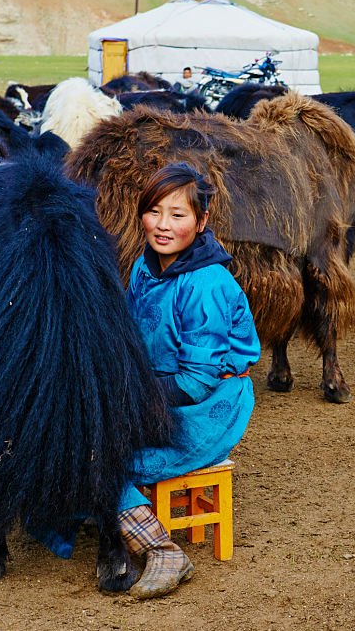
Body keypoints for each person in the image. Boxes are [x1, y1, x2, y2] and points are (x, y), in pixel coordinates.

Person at [116, 162, 261, 599]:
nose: (162, 226)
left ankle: (163, 551)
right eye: (154, 211)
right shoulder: (144, 269)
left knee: (101, 458)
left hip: (204, 405)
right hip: (153, 391)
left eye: (177, 215)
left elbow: (198, 381)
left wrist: (126, 400)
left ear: (201, 223)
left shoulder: (206, 284)